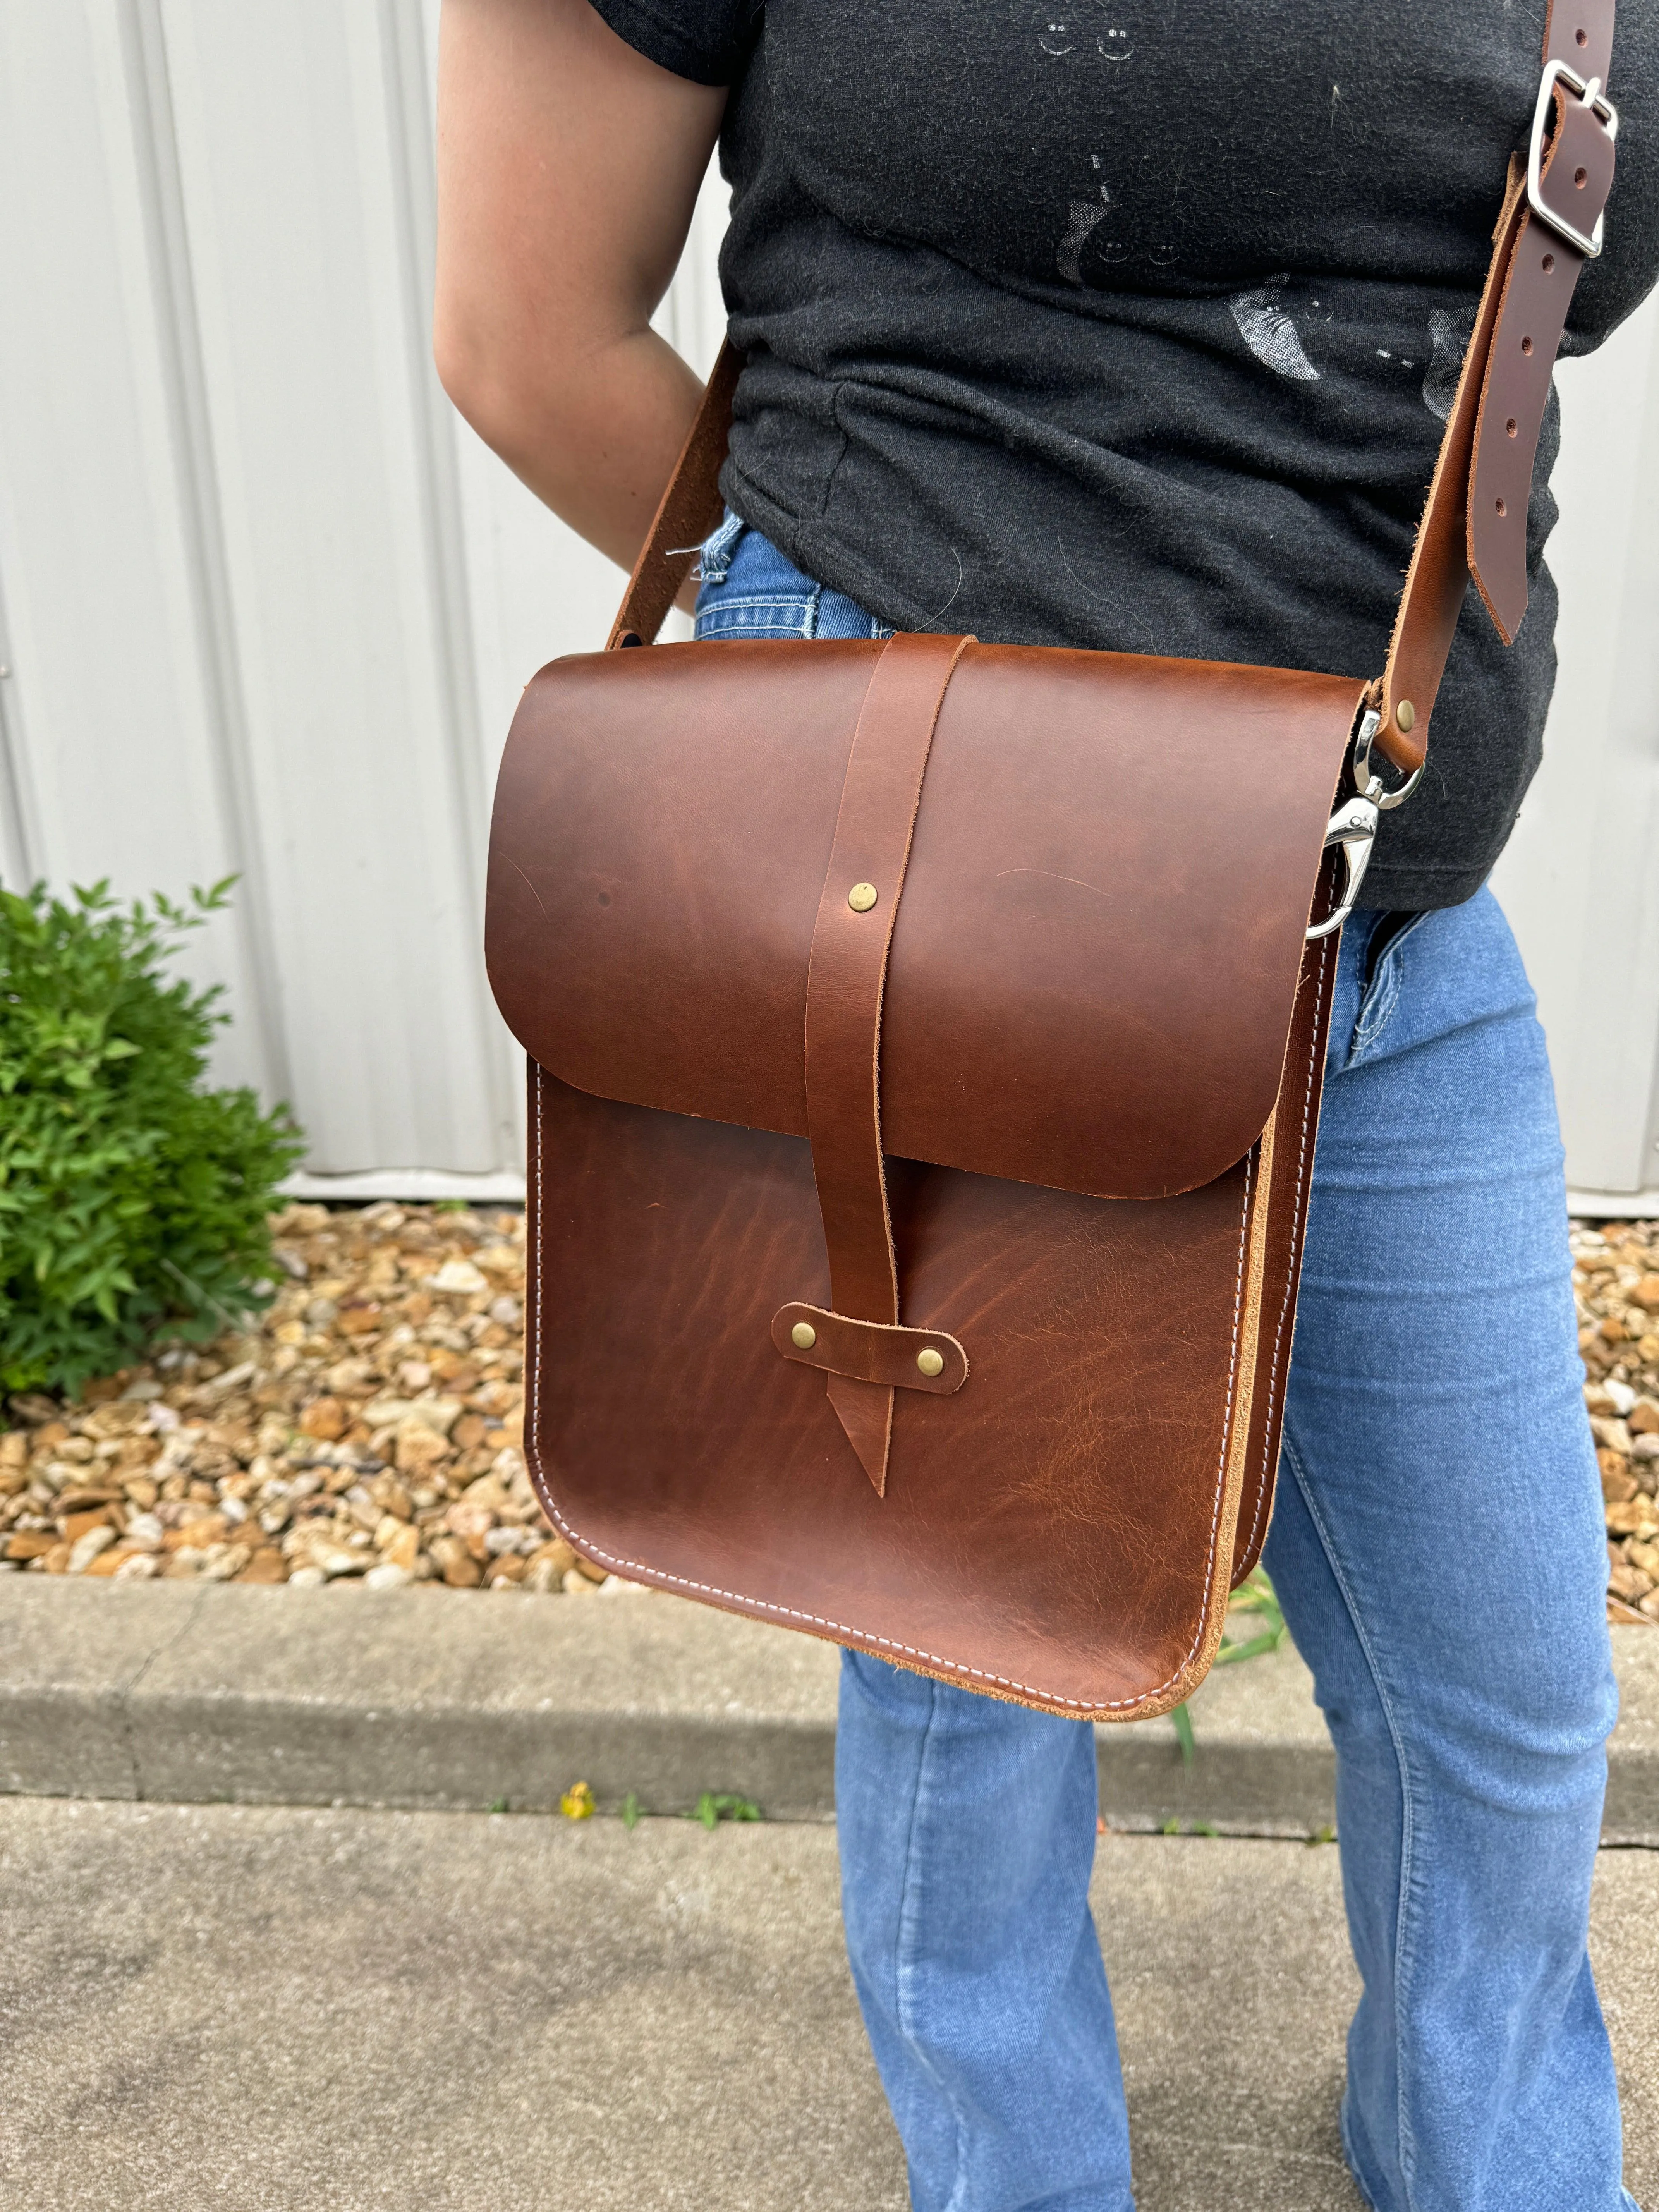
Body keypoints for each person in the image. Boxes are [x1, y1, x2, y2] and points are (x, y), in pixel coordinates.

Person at [433, 4, 1659, 2205]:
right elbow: (526, 334)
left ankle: (1480, 2161)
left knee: (1502, 1701)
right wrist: (910, 731)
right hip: (935, 889)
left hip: (1372, 895)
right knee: (968, 1648)